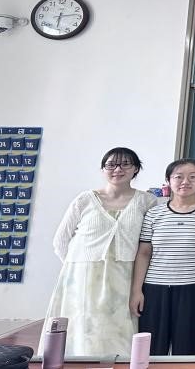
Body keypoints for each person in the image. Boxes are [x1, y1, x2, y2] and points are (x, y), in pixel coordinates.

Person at [42, 148, 156, 356]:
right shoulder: (85, 199)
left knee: (118, 331)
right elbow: (60, 240)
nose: (117, 169)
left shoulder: (147, 201)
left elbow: (147, 244)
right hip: (83, 278)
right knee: (82, 329)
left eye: (125, 164)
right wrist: (76, 268)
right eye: (111, 165)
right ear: (103, 169)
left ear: (136, 169)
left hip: (123, 276)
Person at [131, 159, 195, 355]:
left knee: (188, 348)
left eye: (193, 177)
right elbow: (144, 253)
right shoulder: (154, 213)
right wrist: (137, 290)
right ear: (168, 180)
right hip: (154, 288)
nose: (185, 182)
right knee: (152, 349)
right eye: (179, 177)